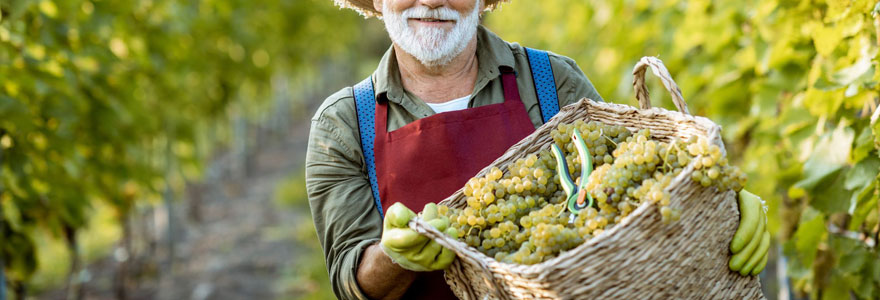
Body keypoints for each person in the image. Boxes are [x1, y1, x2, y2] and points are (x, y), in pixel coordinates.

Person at [306, 1, 768, 299]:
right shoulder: (344, 123)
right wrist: (393, 256)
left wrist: (715, 203)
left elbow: (631, 182)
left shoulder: (553, 81)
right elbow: (351, 279)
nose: (432, 0)